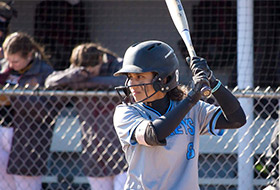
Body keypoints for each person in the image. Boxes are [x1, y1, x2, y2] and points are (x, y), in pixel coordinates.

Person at [113, 40, 246, 190]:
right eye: (130, 77)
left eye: (140, 77)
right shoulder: (126, 112)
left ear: (164, 79)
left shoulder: (193, 109)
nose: (131, 84)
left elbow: (237, 120)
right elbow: (154, 134)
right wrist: (191, 98)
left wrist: (212, 81)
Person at [45, 43, 127, 190]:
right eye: (85, 71)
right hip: (93, 149)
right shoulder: (76, 74)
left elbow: (125, 82)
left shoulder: (116, 65)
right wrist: (76, 75)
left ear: (100, 60)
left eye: (92, 70)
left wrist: (87, 82)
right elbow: (50, 82)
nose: (89, 73)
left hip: (120, 149)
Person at [0, 32, 54, 190]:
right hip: (3, 127)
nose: (11, 64)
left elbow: (47, 111)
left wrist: (15, 98)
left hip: (27, 136)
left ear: (29, 54)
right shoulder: (4, 68)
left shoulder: (43, 71)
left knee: (26, 185)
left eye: (15, 61)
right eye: (8, 59)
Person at [34, 0, 90, 70]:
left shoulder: (75, 8)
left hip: (70, 42)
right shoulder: (44, 7)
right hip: (52, 43)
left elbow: (80, 28)